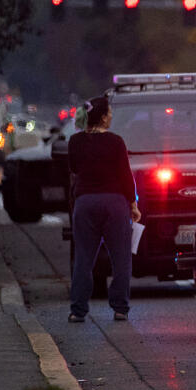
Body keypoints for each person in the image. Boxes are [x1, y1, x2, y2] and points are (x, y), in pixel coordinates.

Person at [66, 95, 141, 323]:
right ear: (102, 117)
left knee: (83, 259)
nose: (111, 117)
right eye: (109, 113)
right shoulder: (116, 142)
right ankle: (120, 308)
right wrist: (133, 204)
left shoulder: (75, 141)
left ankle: (78, 310)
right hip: (114, 203)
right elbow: (125, 175)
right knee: (120, 258)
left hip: (85, 203)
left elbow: (74, 168)